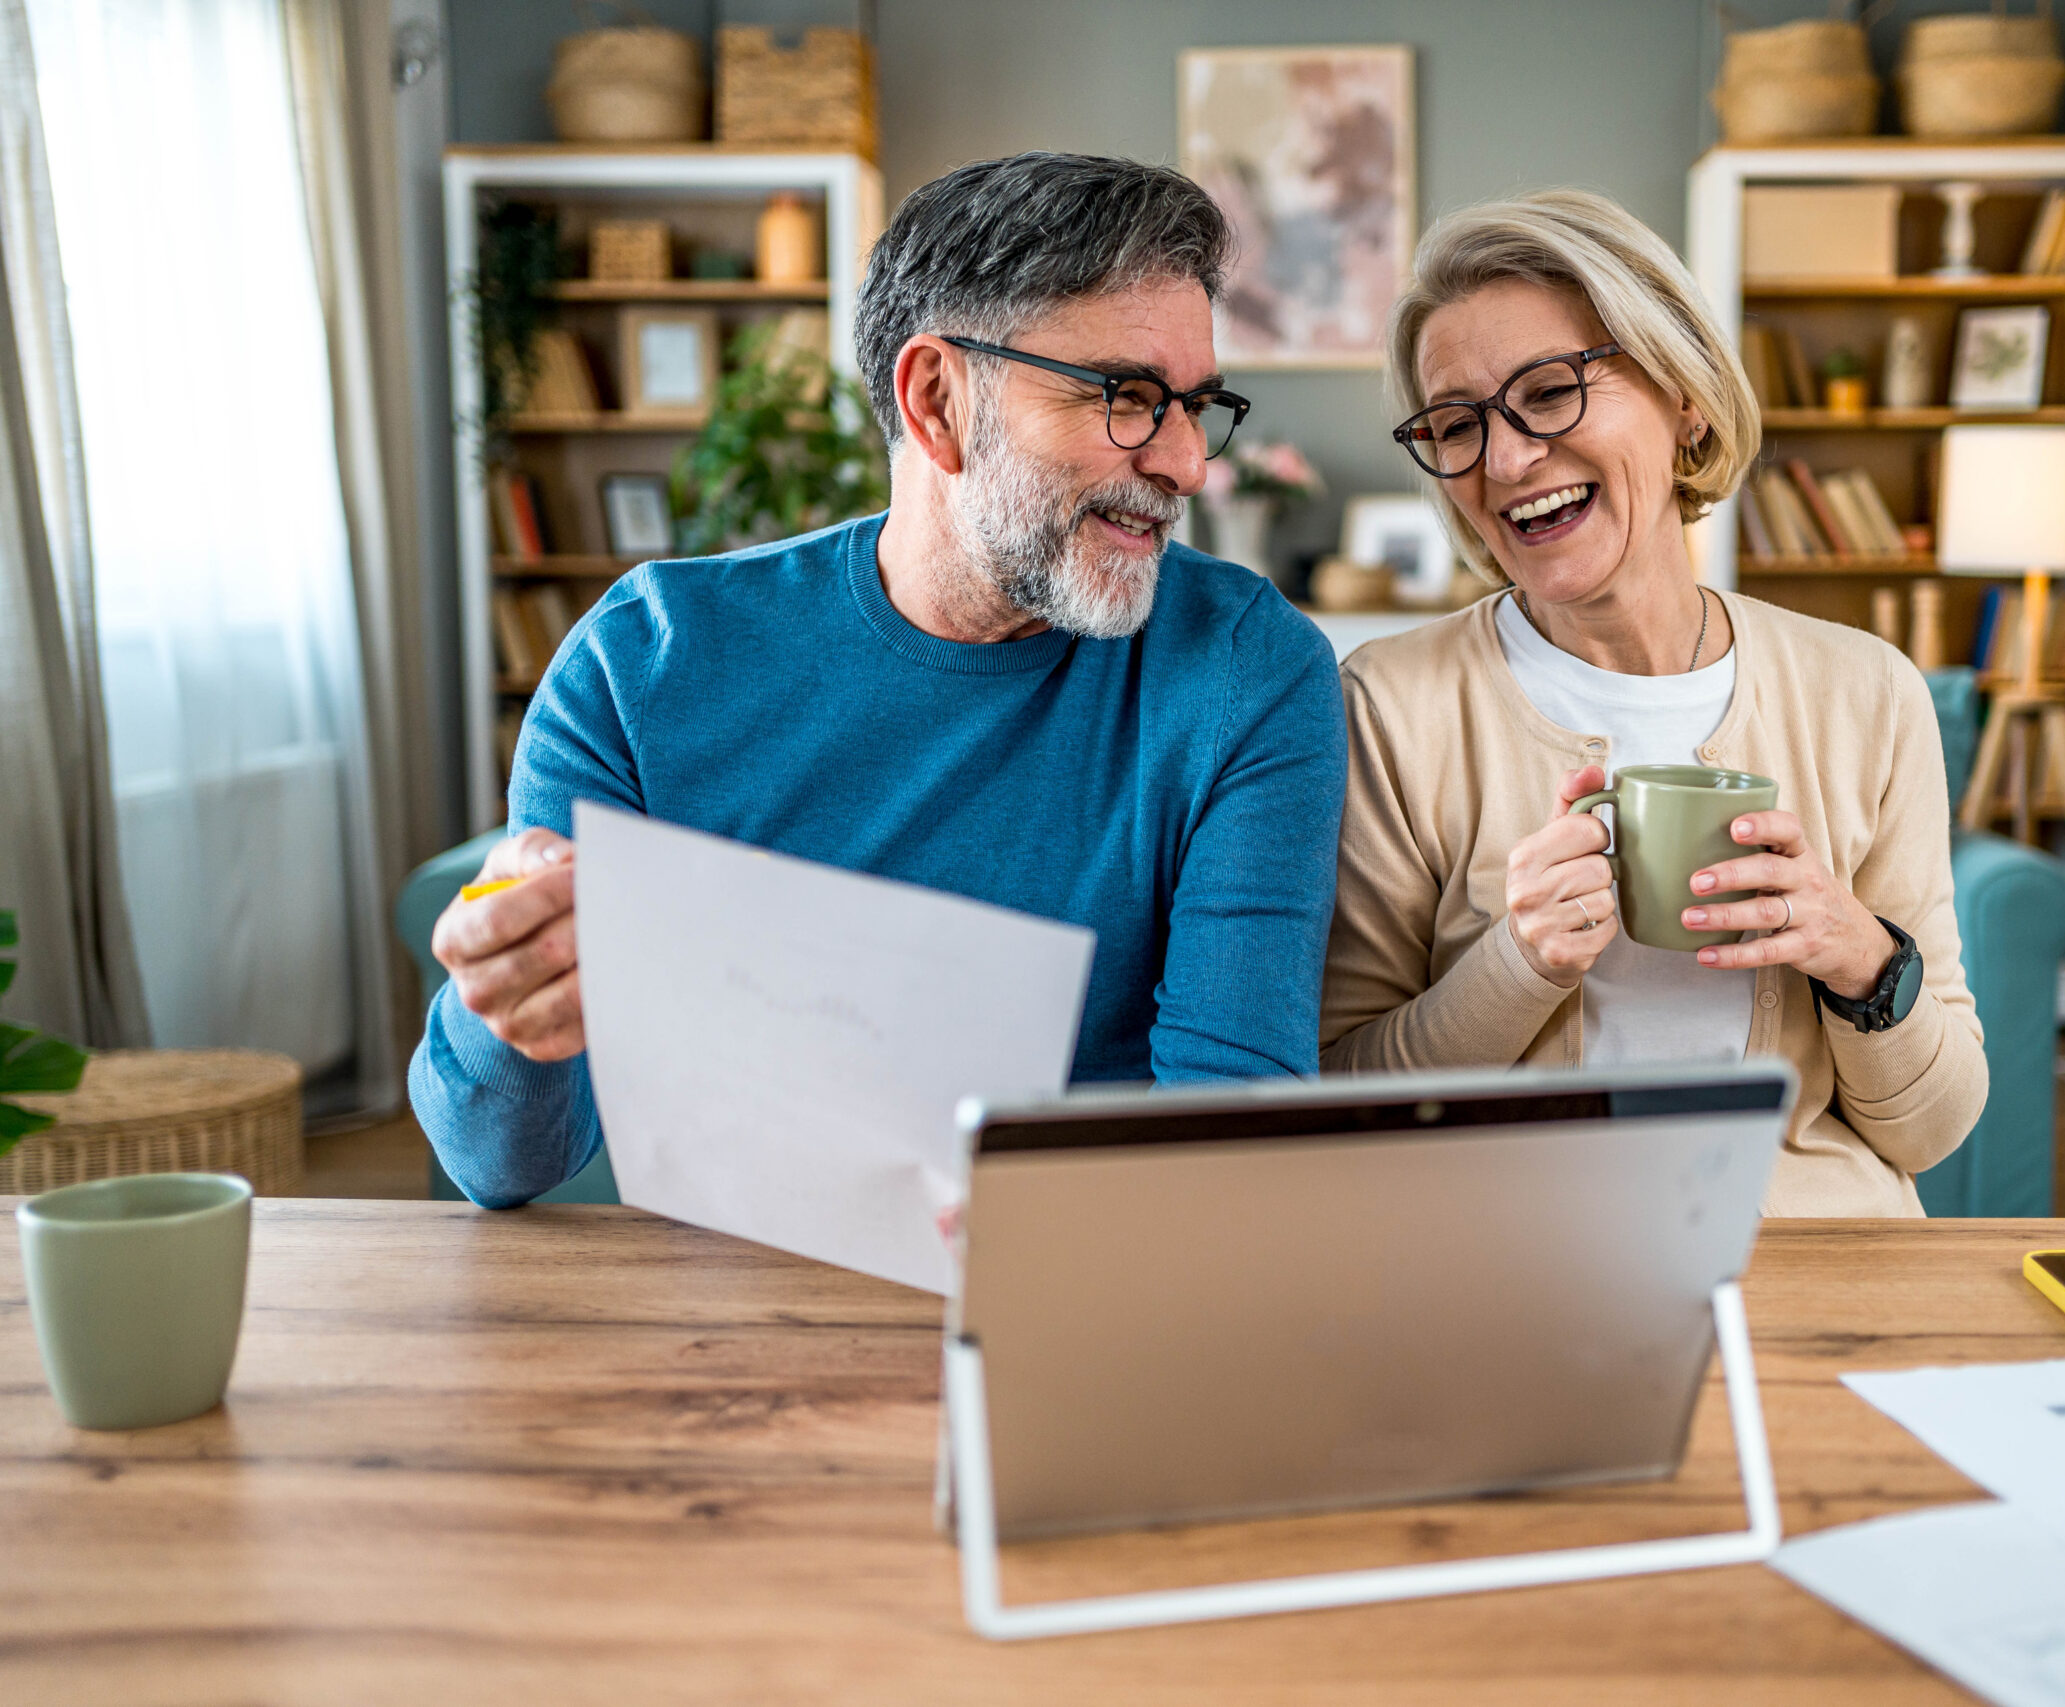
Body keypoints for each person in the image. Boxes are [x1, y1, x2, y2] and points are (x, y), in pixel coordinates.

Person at [413, 153, 1347, 1206]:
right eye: (1127, 398)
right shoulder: (643, 664)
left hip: (1089, 1285)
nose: (1185, 462)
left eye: (1196, 405)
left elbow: (1225, 1143)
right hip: (734, 1312)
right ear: (936, 400)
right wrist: (503, 1002)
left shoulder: (1245, 669)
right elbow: (501, 1166)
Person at [1320, 191, 1985, 1215]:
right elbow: (1342, 1107)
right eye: (1455, 425)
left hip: (1810, 1257)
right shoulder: (1390, 706)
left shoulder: (1867, 693)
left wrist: (1853, 950)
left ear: (1683, 397)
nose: (1504, 461)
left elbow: (1932, 1131)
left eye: (1548, 392)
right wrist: (1519, 960)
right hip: (1520, 1263)